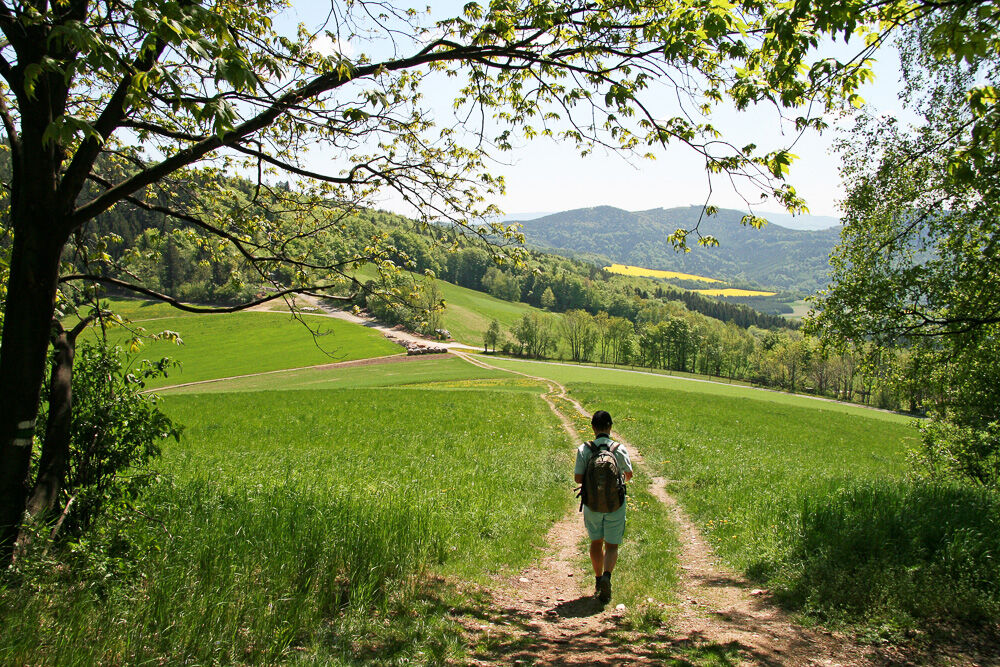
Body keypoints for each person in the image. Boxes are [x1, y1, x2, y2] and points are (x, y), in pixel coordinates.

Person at [574, 410, 633, 604]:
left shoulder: (584, 449)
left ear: (593, 427)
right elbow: (629, 474)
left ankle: (598, 580)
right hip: (615, 503)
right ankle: (608, 575)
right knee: (612, 545)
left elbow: (578, 478)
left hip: (592, 503)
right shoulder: (619, 448)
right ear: (610, 427)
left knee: (596, 542)